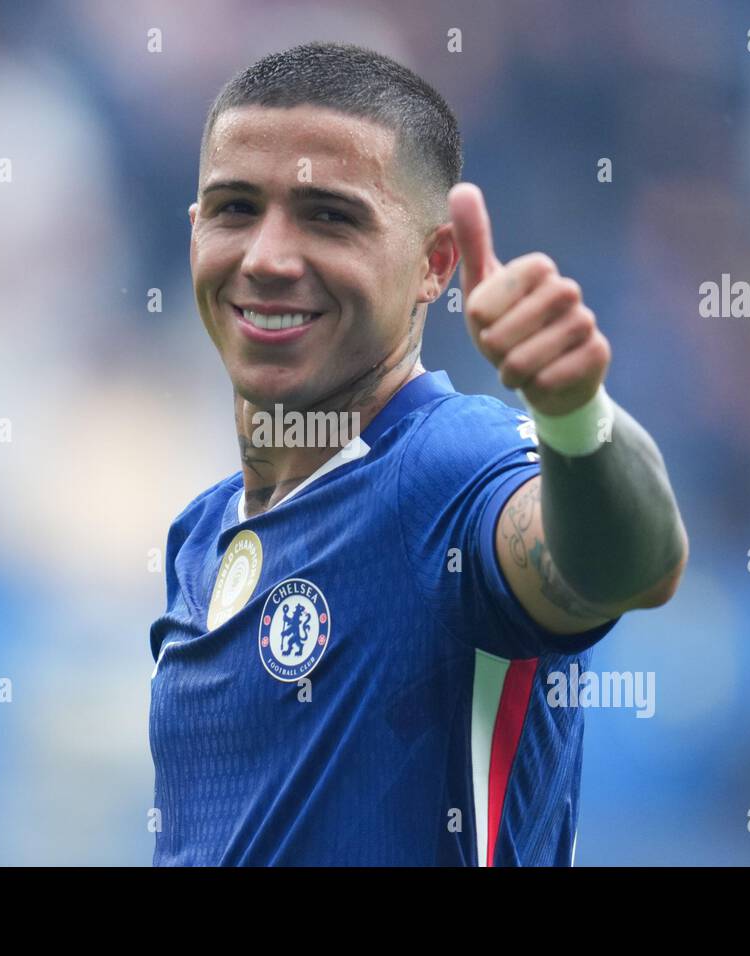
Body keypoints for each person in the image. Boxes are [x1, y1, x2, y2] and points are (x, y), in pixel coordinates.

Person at [148, 40, 688, 865]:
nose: (267, 258)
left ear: (435, 265)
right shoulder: (200, 536)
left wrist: (576, 418)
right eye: (235, 208)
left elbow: (626, 568)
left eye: (329, 217)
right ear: (195, 234)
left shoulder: (447, 470)